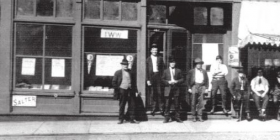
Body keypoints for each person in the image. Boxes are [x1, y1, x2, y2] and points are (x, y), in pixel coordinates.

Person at [112, 58, 139, 124]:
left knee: (132, 105)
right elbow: (113, 82)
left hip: (130, 91)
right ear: (121, 65)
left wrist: (136, 91)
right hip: (122, 90)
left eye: (126, 64)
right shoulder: (118, 72)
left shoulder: (131, 72)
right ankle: (121, 119)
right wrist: (119, 89)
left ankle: (132, 119)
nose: (125, 66)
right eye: (124, 65)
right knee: (122, 105)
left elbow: (134, 83)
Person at [161, 58, 184, 123]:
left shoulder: (178, 70)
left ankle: (177, 117)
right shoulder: (165, 71)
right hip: (168, 88)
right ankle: (167, 117)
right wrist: (168, 82)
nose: (172, 64)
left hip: (176, 89)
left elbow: (182, 79)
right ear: (169, 64)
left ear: (175, 63)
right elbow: (162, 80)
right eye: (171, 63)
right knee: (167, 104)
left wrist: (177, 81)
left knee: (177, 104)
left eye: (173, 62)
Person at [187, 58, 209, 122]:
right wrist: (189, 88)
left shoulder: (204, 71)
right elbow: (188, 80)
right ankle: (193, 116)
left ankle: (199, 116)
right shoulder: (191, 71)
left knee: (201, 102)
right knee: (193, 102)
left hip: (202, 86)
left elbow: (207, 80)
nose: (199, 65)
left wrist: (206, 88)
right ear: (195, 65)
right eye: (197, 64)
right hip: (194, 86)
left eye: (200, 64)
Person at [146, 44, 165, 116]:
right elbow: (146, 70)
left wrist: (162, 78)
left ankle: (161, 109)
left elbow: (163, 69)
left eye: (156, 50)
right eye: (153, 50)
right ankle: (153, 109)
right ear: (151, 51)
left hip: (158, 76)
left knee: (160, 93)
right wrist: (147, 79)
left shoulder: (160, 58)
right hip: (151, 77)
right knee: (152, 93)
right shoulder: (148, 59)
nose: (155, 51)